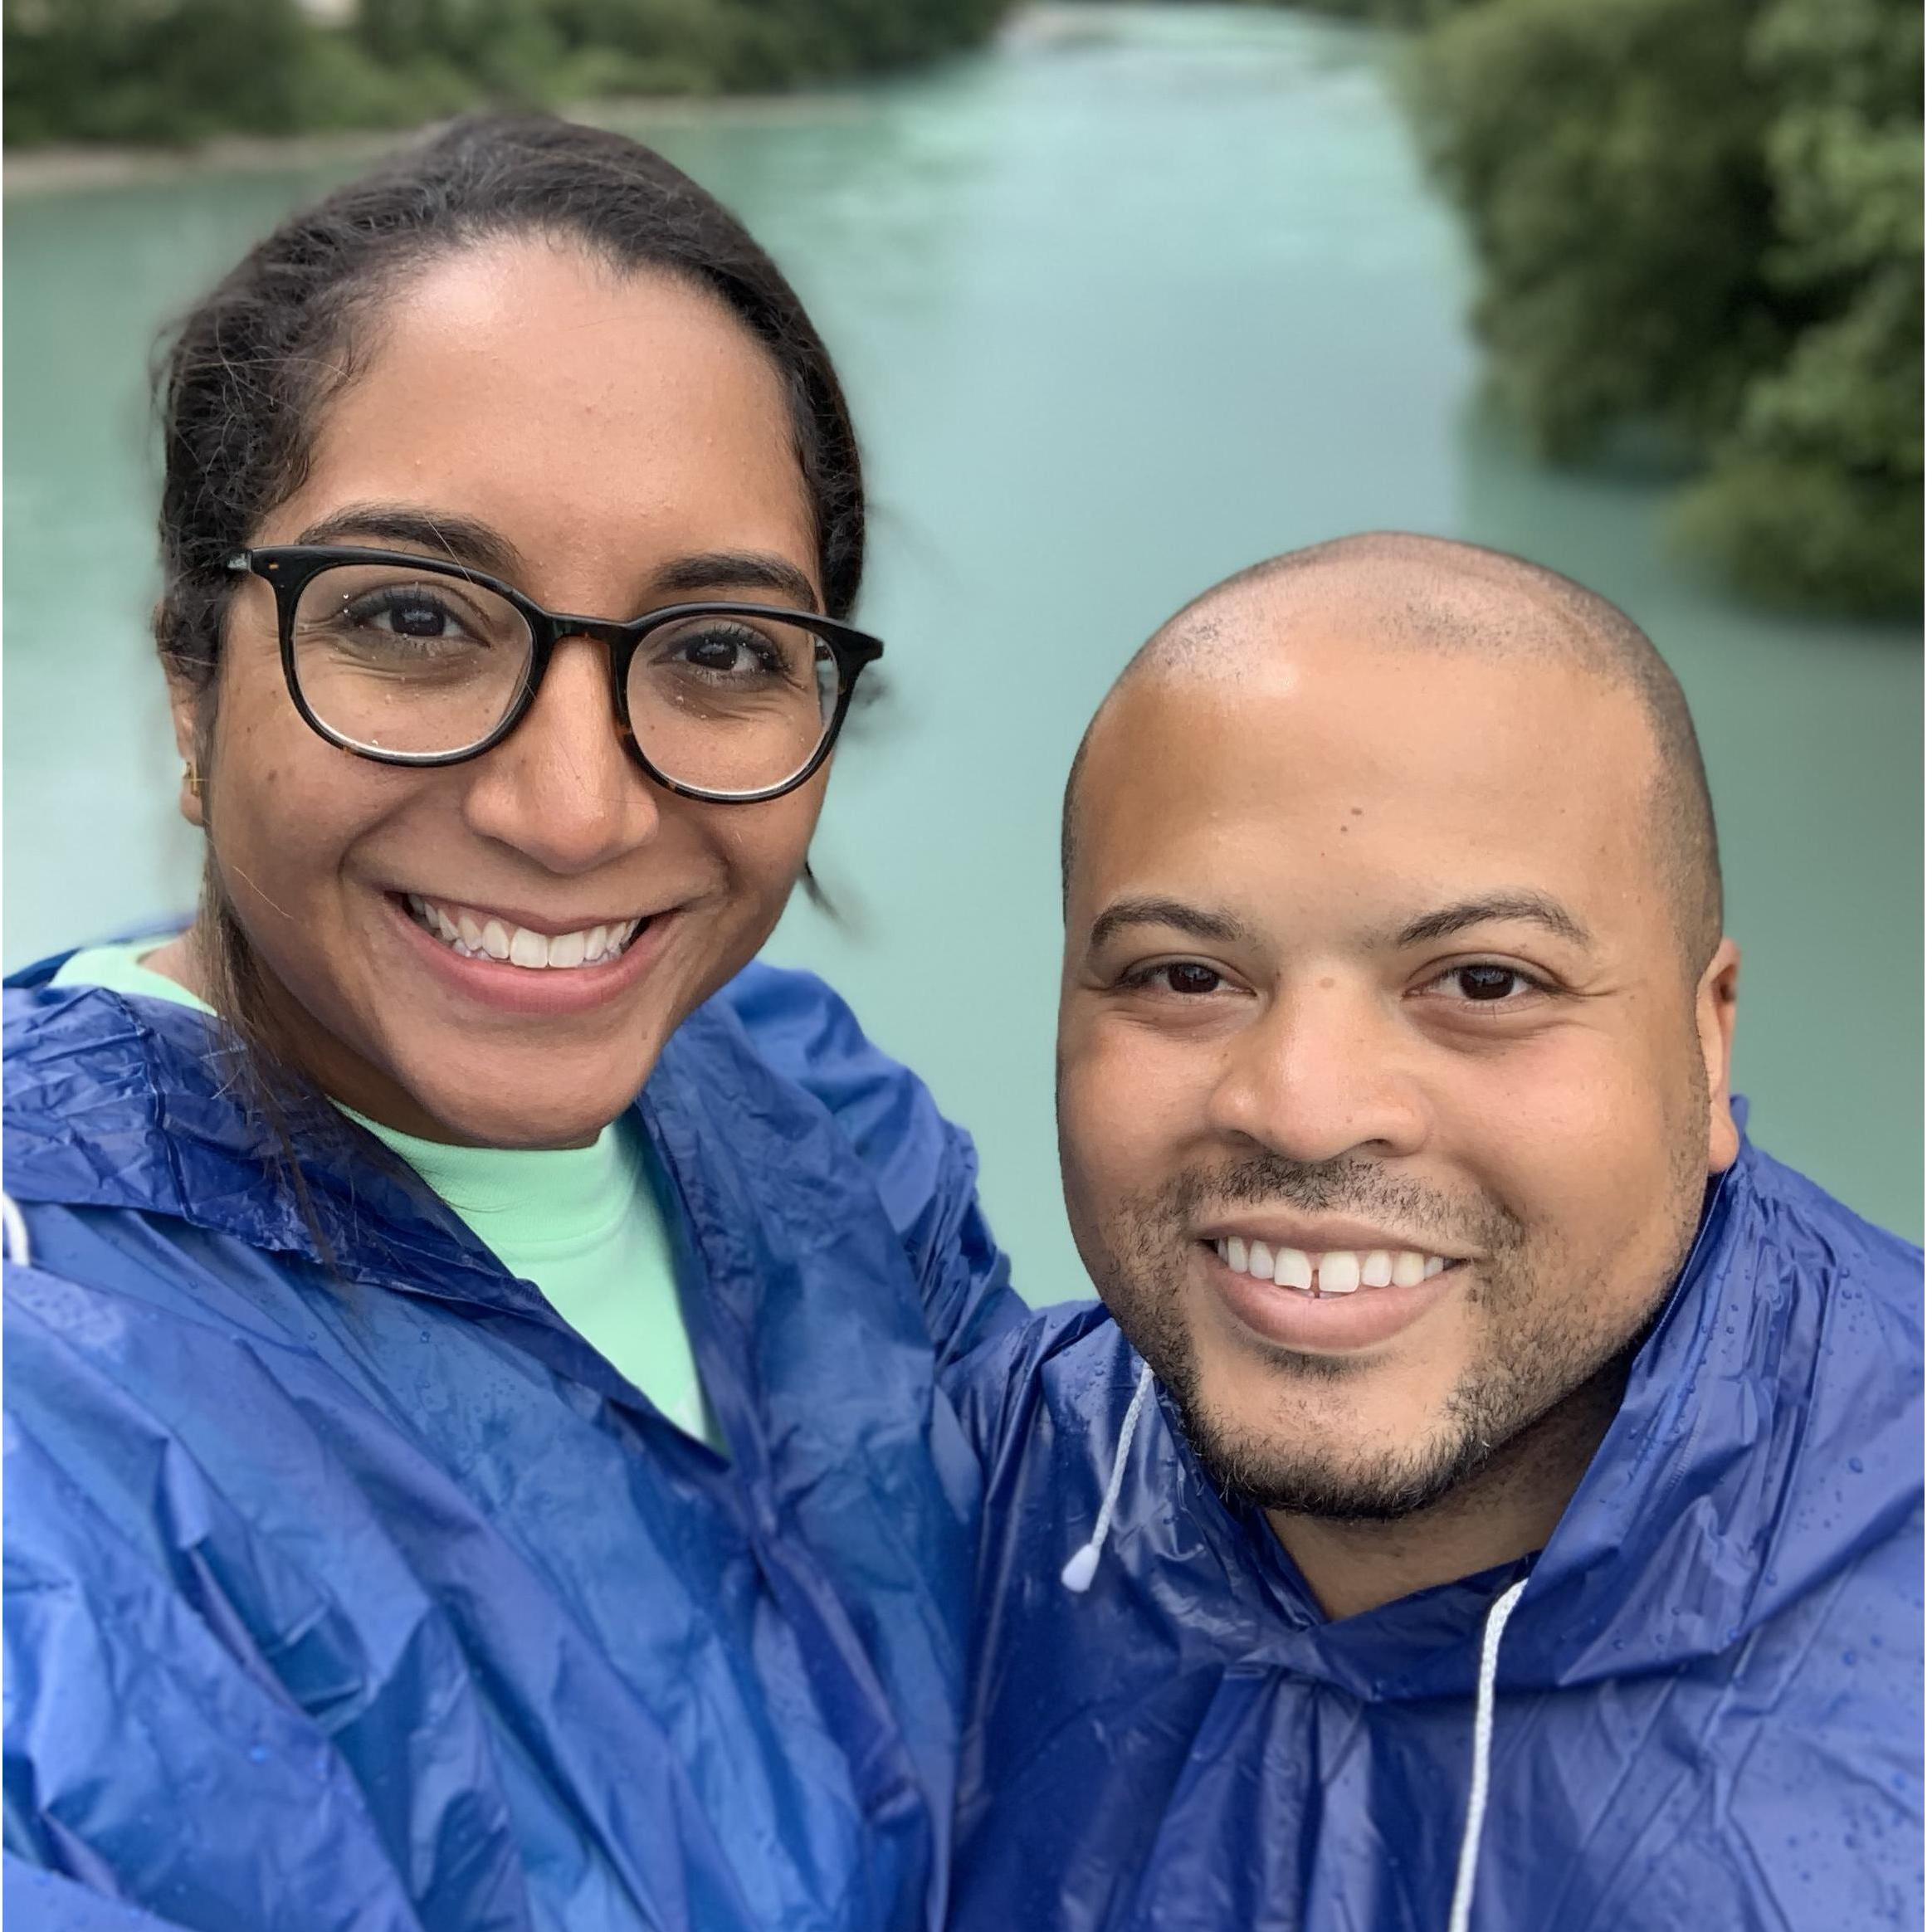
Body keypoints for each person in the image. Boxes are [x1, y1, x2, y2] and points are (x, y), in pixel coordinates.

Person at [2, 116, 1023, 1932]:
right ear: (190, 681)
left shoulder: (821, 1122)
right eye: (413, 618)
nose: (574, 811)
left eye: (716, 650)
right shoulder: (48, 1357)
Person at [937, 534, 1922, 1931]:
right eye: (1186, 974)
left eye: (1482, 980)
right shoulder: (957, 1507)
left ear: (1707, 1041)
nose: (1305, 1107)